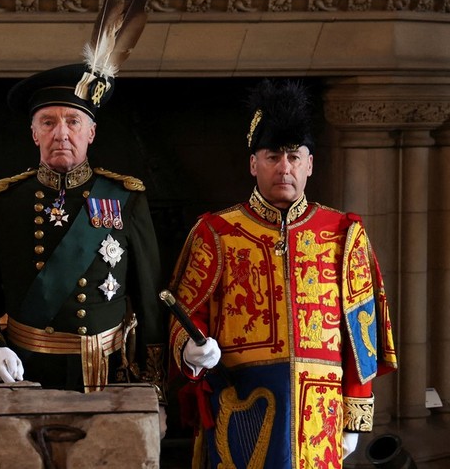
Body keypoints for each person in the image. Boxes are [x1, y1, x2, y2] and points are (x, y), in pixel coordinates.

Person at [166, 79, 398, 469]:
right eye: (273, 156)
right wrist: (190, 348)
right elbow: (185, 312)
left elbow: (362, 333)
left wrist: (354, 415)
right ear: (253, 164)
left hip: (321, 413)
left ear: (310, 164)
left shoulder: (343, 233)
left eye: (294, 156)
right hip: (240, 405)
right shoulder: (216, 232)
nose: (284, 168)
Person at [0, 62, 166, 402]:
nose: (61, 133)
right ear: (34, 133)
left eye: (73, 121)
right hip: (26, 372)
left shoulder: (126, 197)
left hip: (108, 374)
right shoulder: (6, 201)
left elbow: (150, 302)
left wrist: (154, 385)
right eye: (48, 122)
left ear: (91, 133)